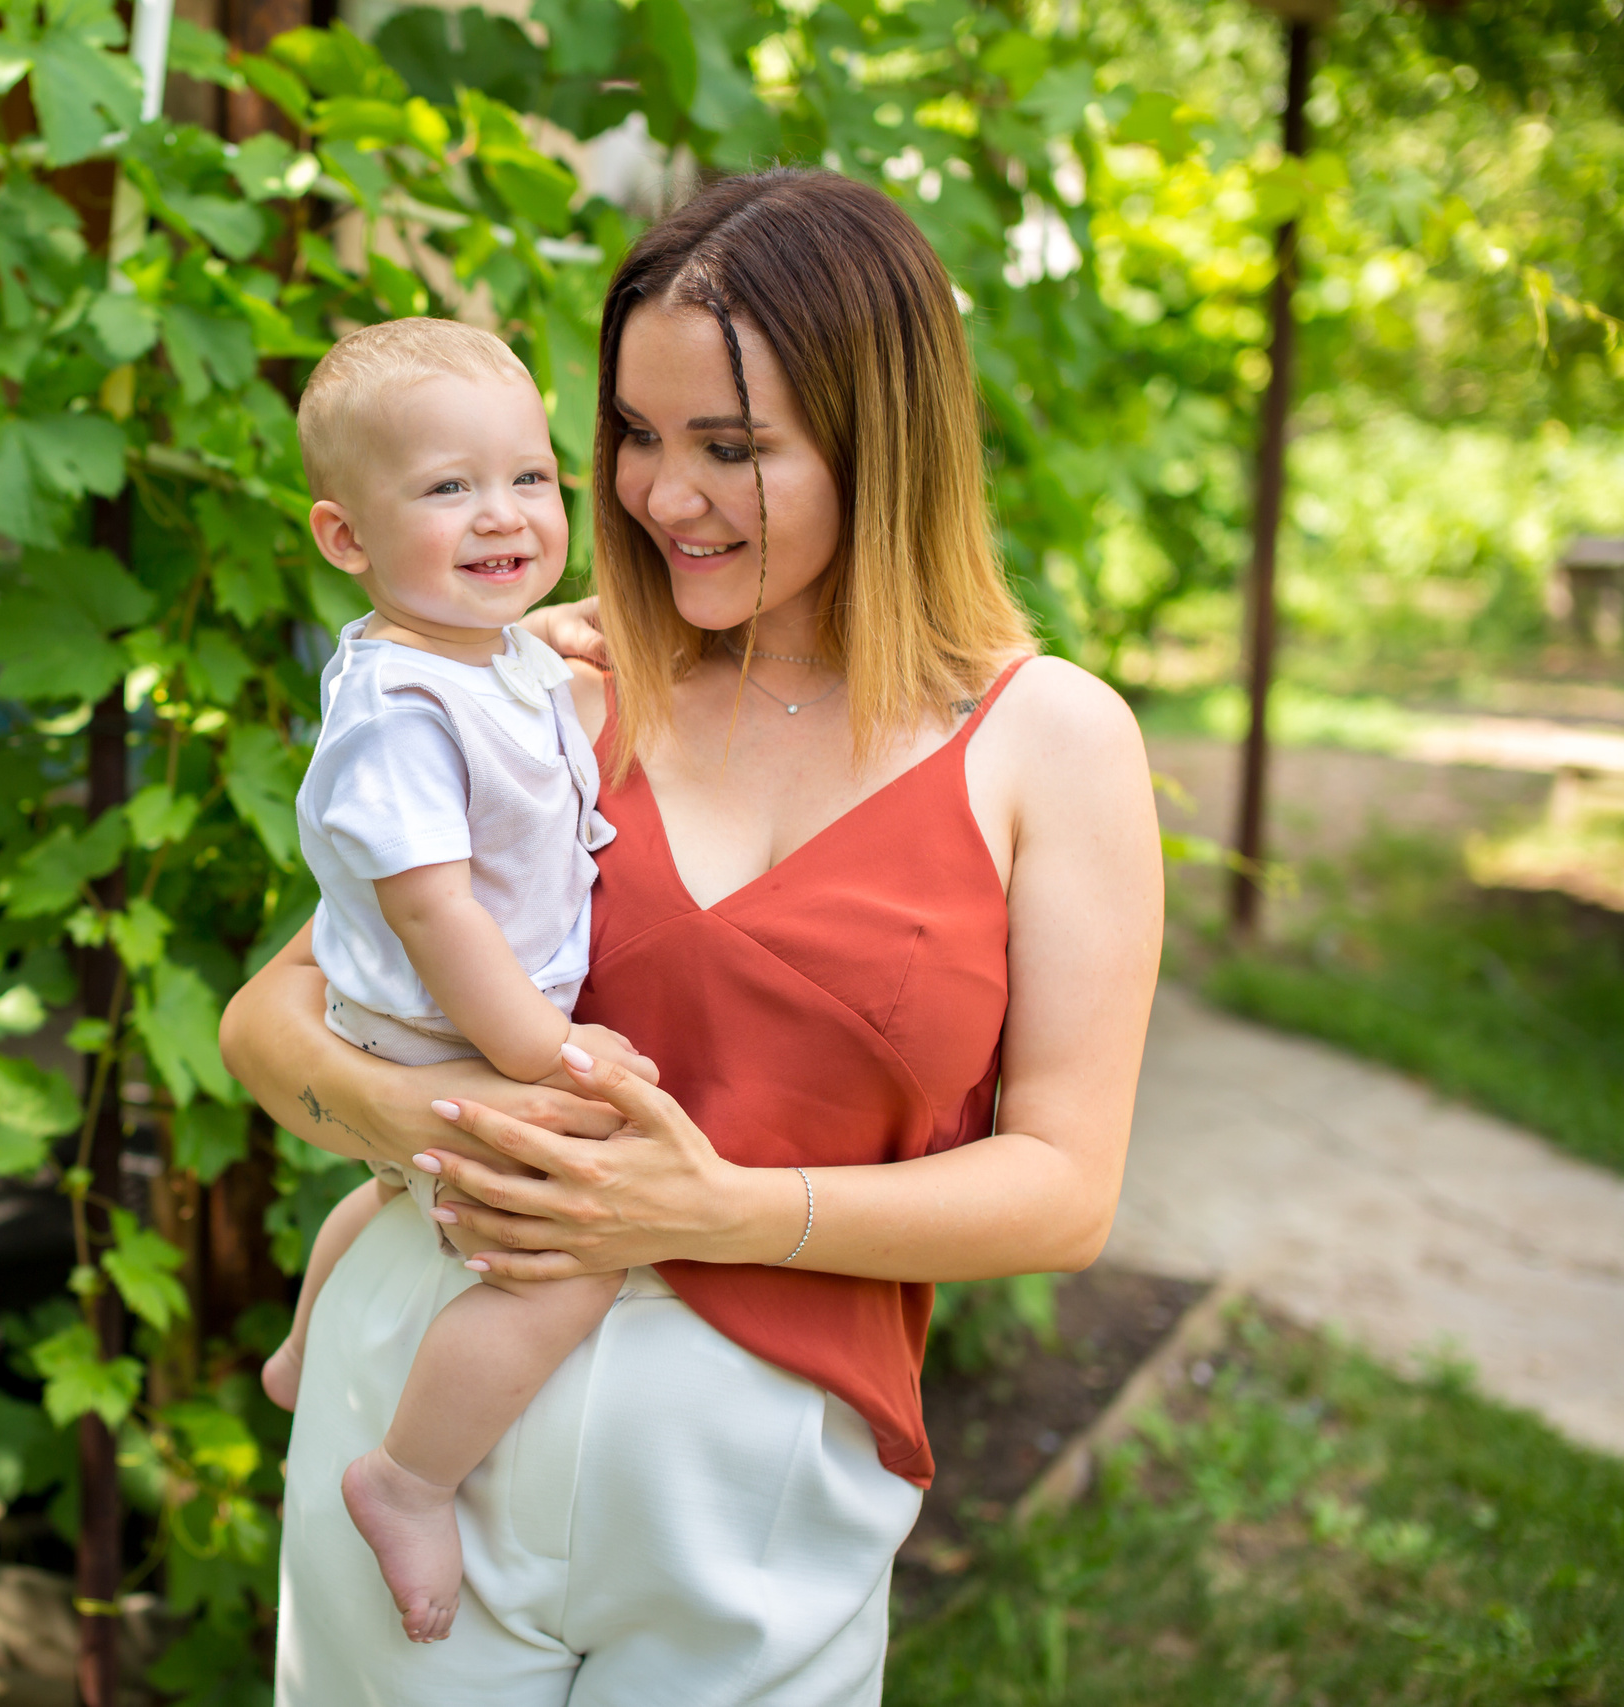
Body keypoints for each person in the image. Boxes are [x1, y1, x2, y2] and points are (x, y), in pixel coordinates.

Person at [217, 166, 1165, 1706]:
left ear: (881, 441)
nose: (661, 498)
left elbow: (1064, 1192)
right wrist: (440, 1128)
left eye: (731, 447)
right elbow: (271, 1023)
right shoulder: (547, 682)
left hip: (759, 1481)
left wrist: (711, 1209)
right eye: (634, 437)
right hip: (424, 1396)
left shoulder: (1048, 743)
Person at [263, 316, 661, 1646]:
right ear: (346, 538)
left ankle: (302, 1348)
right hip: (448, 1024)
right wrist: (547, 1054)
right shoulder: (397, 713)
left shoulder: (475, 651)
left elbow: (512, 677)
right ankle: (410, 1478)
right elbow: (433, 909)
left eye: (530, 477)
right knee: (573, 1257)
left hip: (435, 1019)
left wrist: (554, 633)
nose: (503, 513)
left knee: (390, 1189)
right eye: (448, 488)